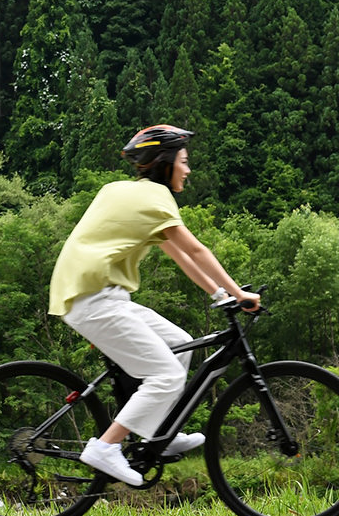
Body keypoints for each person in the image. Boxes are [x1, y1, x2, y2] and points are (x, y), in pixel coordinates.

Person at [48, 123, 260, 487]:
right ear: (166, 162)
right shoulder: (156, 199)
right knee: (167, 375)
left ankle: (156, 433)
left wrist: (219, 294)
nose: (188, 169)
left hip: (102, 294)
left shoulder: (125, 192)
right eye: (184, 160)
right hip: (92, 298)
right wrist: (239, 294)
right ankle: (105, 447)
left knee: (179, 344)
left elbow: (178, 254)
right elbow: (195, 249)